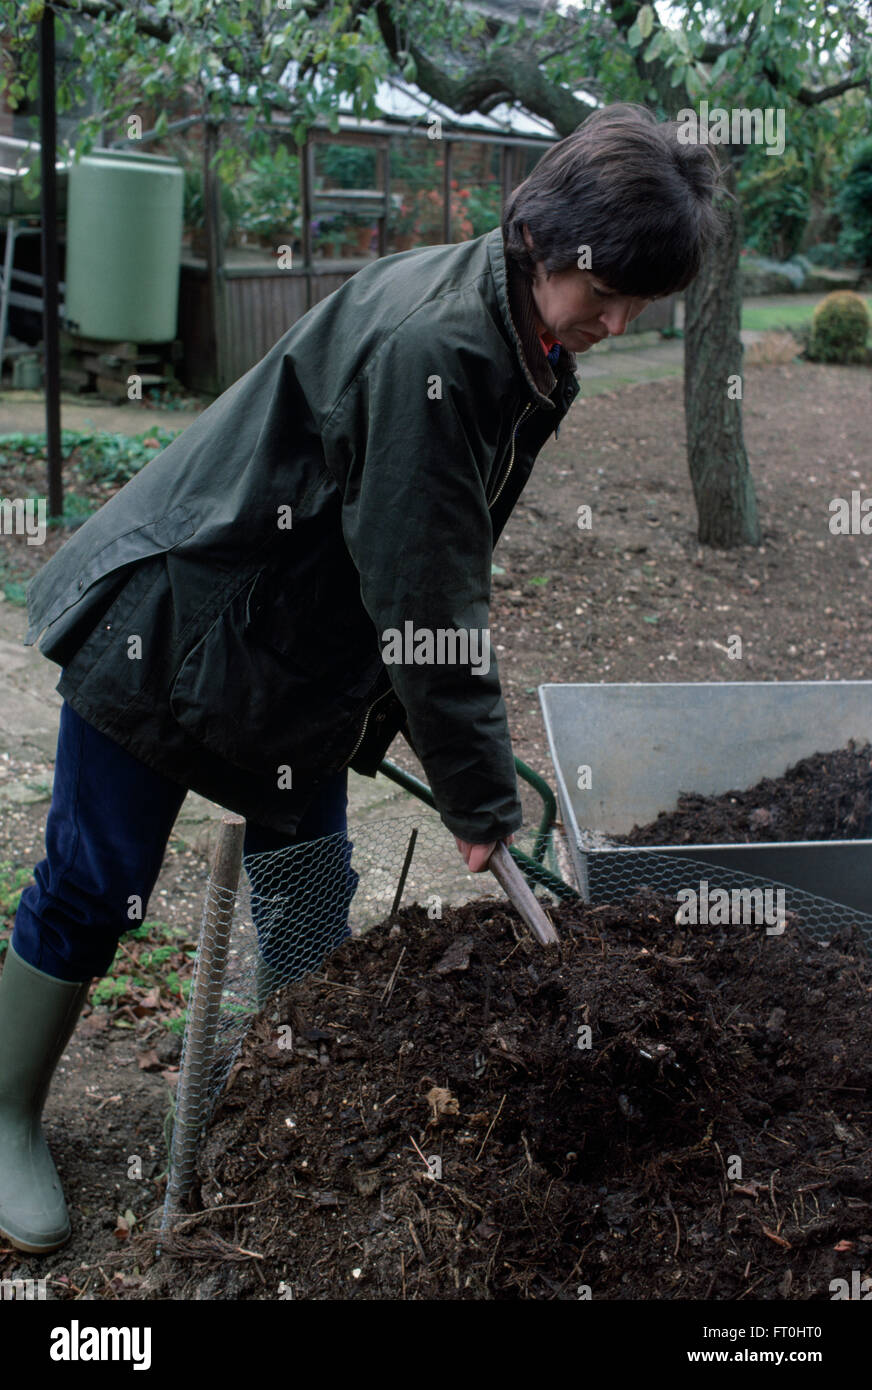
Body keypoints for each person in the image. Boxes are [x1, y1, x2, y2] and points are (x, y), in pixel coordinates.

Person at [0, 102, 722, 1253]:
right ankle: (5, 1112)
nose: (617, 317)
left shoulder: (519, 330)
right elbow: (428, 589)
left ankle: (277, 1098)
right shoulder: (439, 345)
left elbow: (418, 553)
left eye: (640, 301)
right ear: (546, 233)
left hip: (285, 654)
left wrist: (401, 718)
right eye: (608, 289)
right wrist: (480, 797)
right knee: (98, 879)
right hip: (178, 618)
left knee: (305, 886)